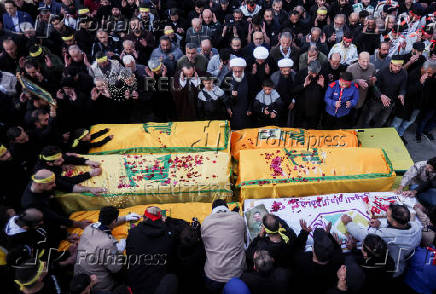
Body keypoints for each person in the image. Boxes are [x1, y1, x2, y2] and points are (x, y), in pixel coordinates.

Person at [341, 203, 421, 277]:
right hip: (403, 259)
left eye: (388, 216)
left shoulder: (386, 236)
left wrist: (348, 223)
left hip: (391, 269)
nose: (386, 216)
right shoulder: (417, 227)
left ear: (395, 223)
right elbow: (397, 228)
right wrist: (380, 224)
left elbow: (366, 237)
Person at [75, 206, 140, 292]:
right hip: (99, 285)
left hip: (79, 276)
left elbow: (107, 224)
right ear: (114, 221)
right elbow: (116, 268)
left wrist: (125, 218)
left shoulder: (89, 227)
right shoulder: (108, 243)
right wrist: (119, 251)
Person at [126, 206, 180, 294]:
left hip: (137, 284)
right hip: (158, 283)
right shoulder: (169, 234)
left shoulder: (133, 233)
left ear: (144, 218)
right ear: (161, 219)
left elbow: (129, 253)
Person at [201, 199, 246, 294]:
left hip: (213, 275)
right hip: (236, 273)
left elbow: (205, 243)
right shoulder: (238, 218)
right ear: (227, 207)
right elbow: (244, 237)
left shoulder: (206, 222)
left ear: (213, 209)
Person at [33, 145, 105, 194]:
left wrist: (87, 161)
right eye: (59, 161)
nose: (62, 160)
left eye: (61, 158)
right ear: (49, 164)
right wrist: (90, 174)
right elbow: (68, 185)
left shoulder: (55, 157)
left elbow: (67, 158)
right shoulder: (47, 174)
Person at [361, 55, 407, 128]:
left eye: (399, 66)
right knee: (369, 117)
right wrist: (381, 95)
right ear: (391, 64)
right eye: (395, 66)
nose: (397, 68)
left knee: (383, 120)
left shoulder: (404, 73)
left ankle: (376, 132)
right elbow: (374, 86)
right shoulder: (383, 71)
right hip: (377, 101)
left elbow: (403, 86)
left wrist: (401, 94)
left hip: (390, 102)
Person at [224, 57, 256, 130]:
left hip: (246, 109)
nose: (237, 74)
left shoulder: (249, 77)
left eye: (240, 71)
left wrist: (250, 108)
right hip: (233, 110)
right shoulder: (227, 77)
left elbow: (253, 95)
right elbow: (225, 95)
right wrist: (228, 107)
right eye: (235, 71)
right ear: (232, 69)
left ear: (243, 69)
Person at [346, 51, 376, 126]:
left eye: (367, 61)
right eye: (363, 61)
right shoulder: (350, 68)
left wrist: (373, 81)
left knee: (357, 118)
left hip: (362, 99)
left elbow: (372, 84)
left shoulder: (372, 67)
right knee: (347, 118)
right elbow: (344, 84)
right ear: (358, 60)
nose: (366, 64)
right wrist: (357, 81)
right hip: (349, 100)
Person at [293, 60, 325, 129]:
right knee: (300, 128)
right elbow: (294, 90)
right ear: (308, 68)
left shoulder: (322, 74)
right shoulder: (300, 74)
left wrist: (322, 86)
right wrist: (304, 85)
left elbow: (326, 92)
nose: (314, 75)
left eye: (316, 73)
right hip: (302, 108)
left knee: (313, 128)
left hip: (315, 108)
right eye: (312, 73)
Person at [270, 58, 296, 127]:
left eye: (288, 70)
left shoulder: (294, 75)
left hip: (290, 103)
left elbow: (297, 90)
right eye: (284, 71)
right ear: (280, 69)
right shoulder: (274, 76)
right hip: (278, 103)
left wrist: (293, 101)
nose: (287, 73)